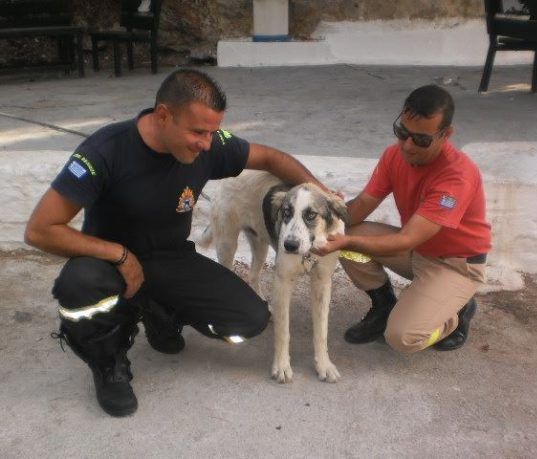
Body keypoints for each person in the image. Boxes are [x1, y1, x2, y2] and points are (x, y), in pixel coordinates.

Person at [24, 68, 331, 417]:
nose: (206, 143)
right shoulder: (106, 150)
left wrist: (320, 192)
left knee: (250, 318)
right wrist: (119, 254)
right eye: (198, 132)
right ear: (163, 115)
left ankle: (159, 311)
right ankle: (108, 364)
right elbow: (40, 229)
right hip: (107, 261)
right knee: (77, 286)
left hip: (170, 257)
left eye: (212, 132)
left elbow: (273, 158)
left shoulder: (209, 145)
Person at [314, 85, 491, 356]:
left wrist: (345, 240)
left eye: (421, 140)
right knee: (345, 230)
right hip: (418, 251)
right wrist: (330, 213)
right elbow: (361, 207)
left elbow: (404, 240)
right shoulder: (393, 155)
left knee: (403, 338)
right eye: (402, 133)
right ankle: (383, 306)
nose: (407, 146)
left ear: (446, 135)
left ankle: (456, 313)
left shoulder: (457, 176)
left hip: (455, 264)